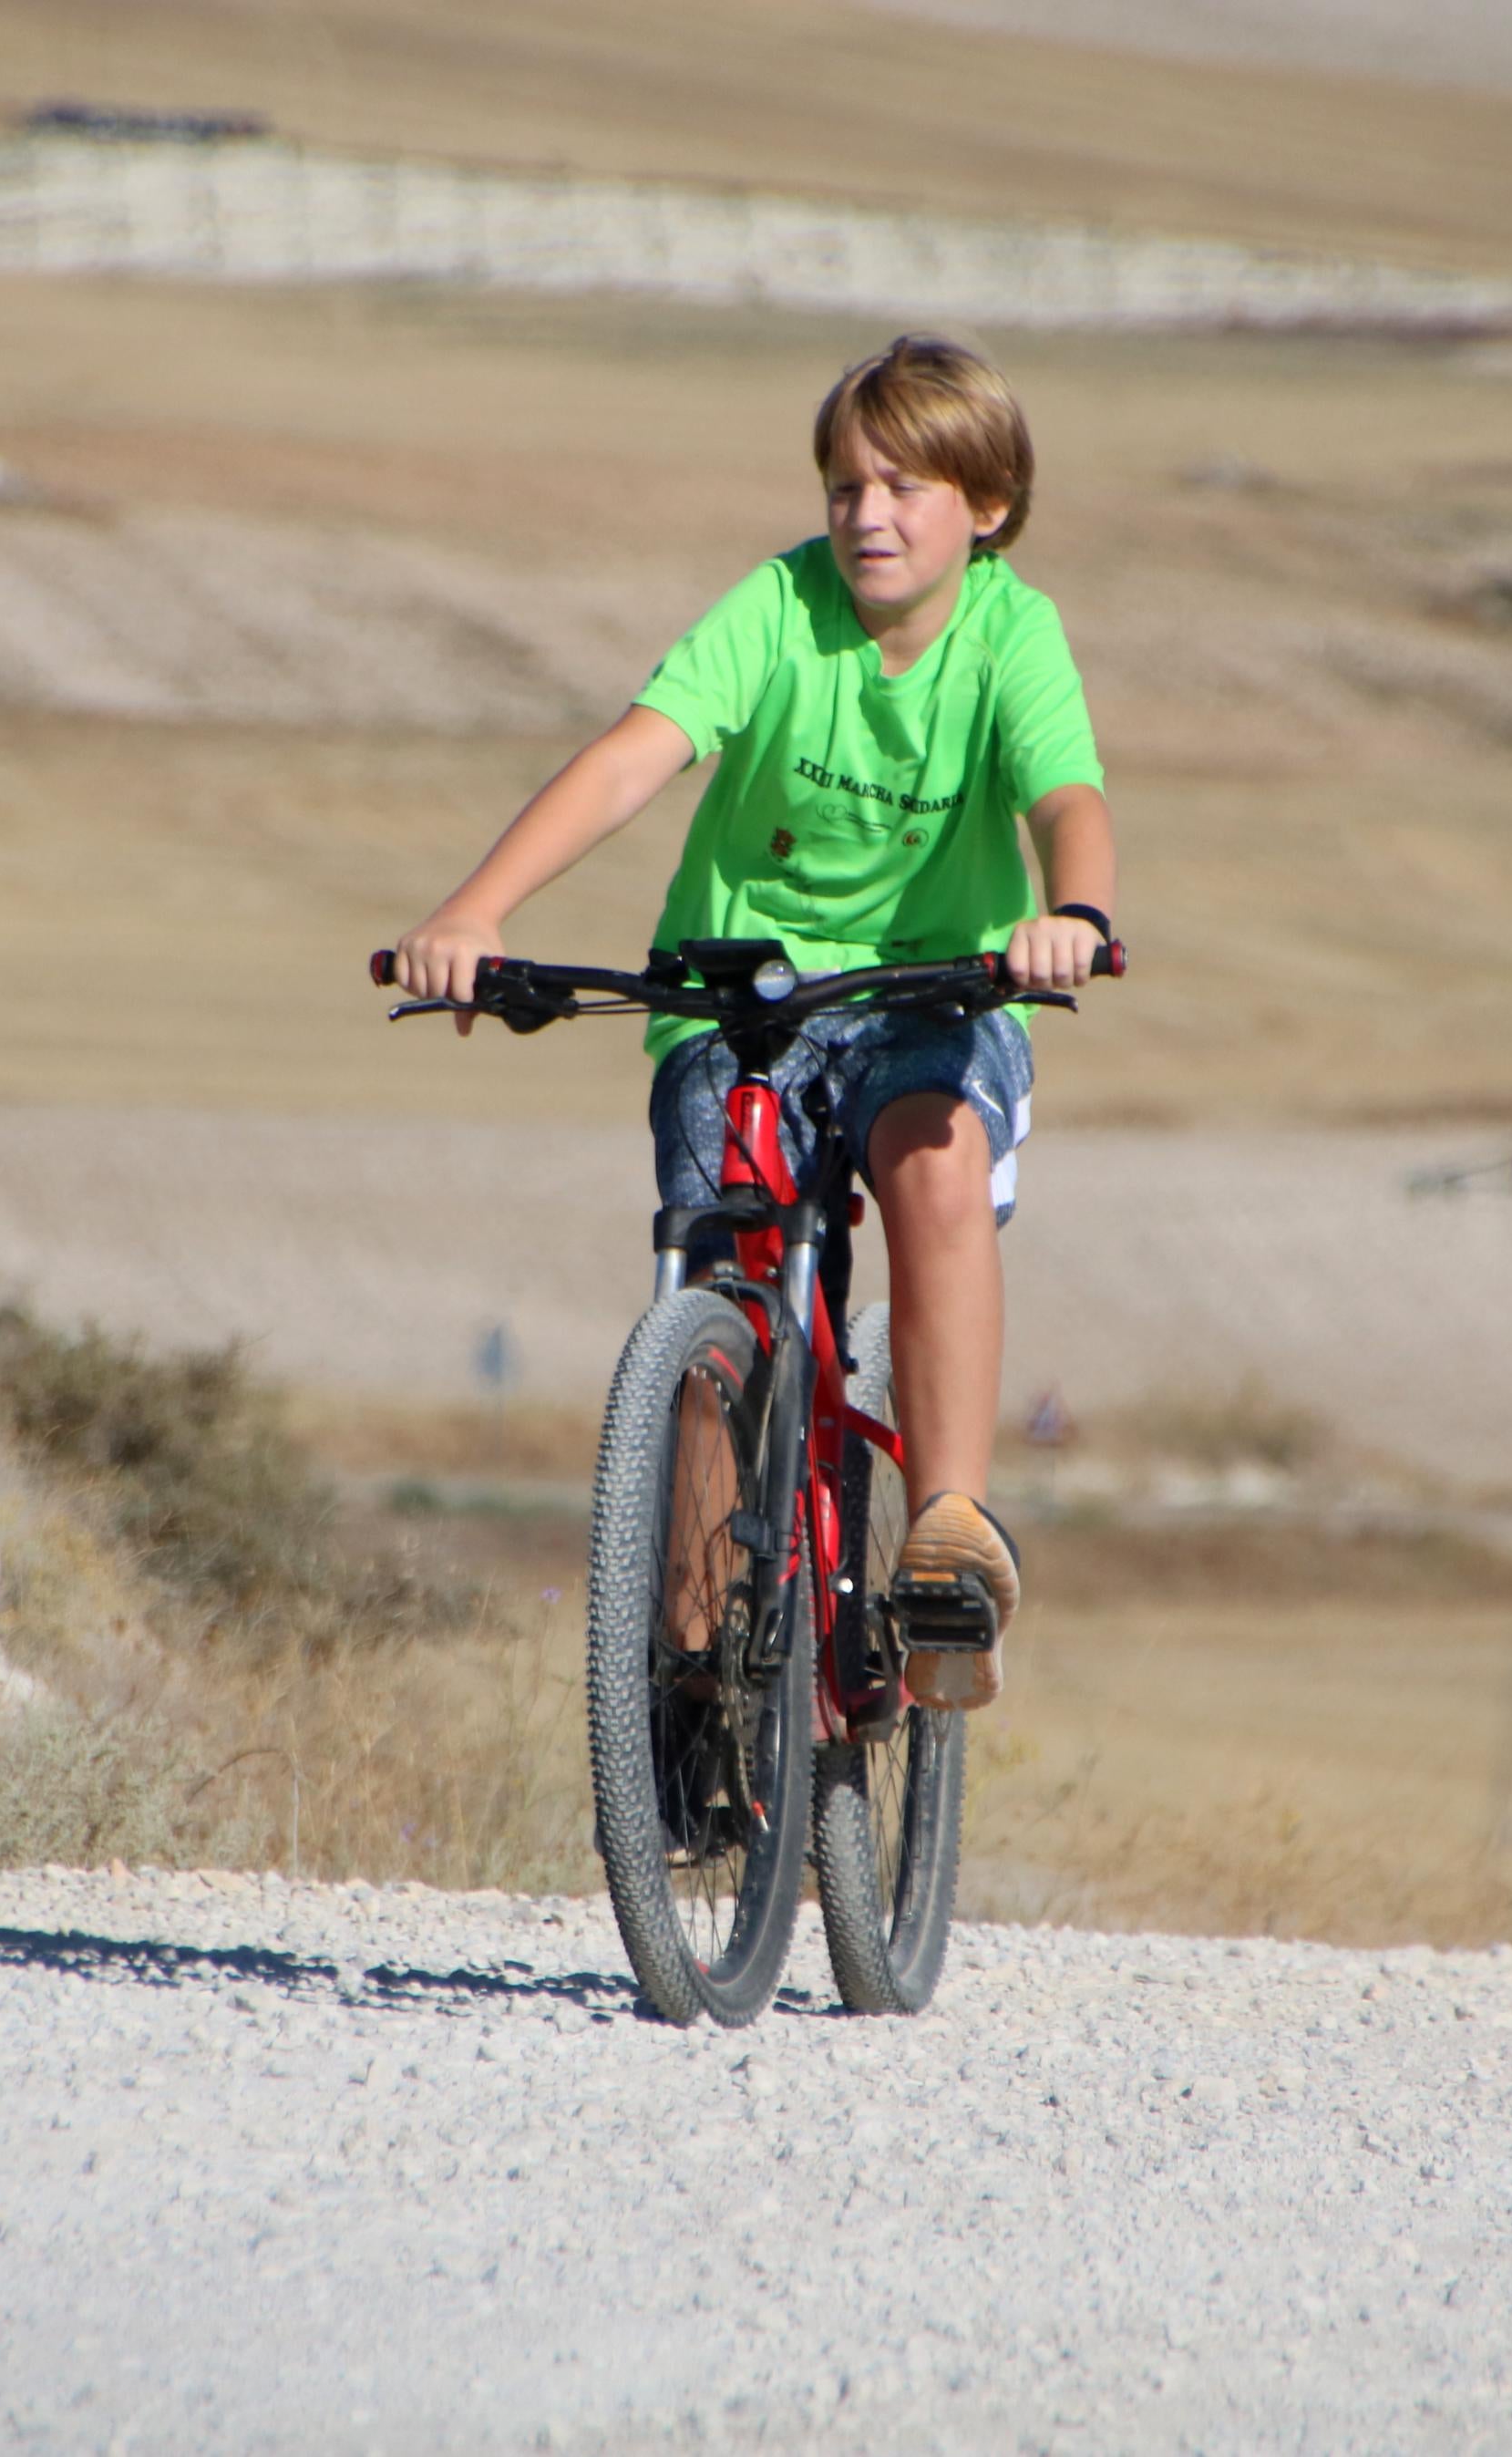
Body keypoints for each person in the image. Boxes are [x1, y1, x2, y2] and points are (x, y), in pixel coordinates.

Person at [389, 334, 1116, 1709]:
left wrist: (1069, 916)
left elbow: (1067, 797)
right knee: (716, 1279)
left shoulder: (1011, 633)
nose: (867, 515)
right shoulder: (779, 609)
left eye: (905, 487)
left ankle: (950, 1527)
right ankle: (688, 1663)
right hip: (738, 995)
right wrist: (473, 914)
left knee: (930, 1156)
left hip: (931, 995)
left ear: (989, 507)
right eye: (846, 485)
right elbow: (632, 757)